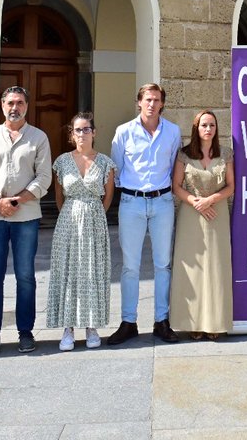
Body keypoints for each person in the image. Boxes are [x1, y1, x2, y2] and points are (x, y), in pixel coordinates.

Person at [0, 85, 52, 356]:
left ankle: (25, 332)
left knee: (26, 276)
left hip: (26, 216)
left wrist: (17, 201)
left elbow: (43, 177)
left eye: (19, 102)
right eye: (9, 103)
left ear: (27, 106)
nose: (14, 107)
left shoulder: (38, 137)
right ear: (2, 105)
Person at [108, 83, 183, 345]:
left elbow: (175, 164)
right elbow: (116, 166)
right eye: (147, 99)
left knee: (163, 264)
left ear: (162, 103)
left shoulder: (173, 131)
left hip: (162, 202)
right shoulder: (124, 132)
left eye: (157, 100)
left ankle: (162, 321)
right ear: (139, 102)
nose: (152, 104)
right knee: (130, 266)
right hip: (132, 202)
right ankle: (128, 321)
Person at [46, 112, 115, 351]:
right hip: (68, 220)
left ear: (94, 133)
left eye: (87, 129)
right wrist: (71, 213)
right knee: (68, 272)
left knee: (92, 272)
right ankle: (68, 327)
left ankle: (91, 325)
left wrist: (94, 213)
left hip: (95, 220)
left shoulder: (105, 162)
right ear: (71, 134)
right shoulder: (62, 161)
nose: (82, 134)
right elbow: (58, 196)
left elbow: (108, 197)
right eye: (78, 130)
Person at [170, 109, 235, 339]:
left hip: (217, 213)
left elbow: (230, 186)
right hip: (191, 213)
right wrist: (195, 201)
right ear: (196, 128)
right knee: (193, 269)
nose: (208, 129)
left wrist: (211, 200)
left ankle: (215, 322)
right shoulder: (184, 155)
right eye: (204, 125)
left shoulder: (226, 154)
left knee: (216, 267)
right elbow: (176, 186)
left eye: (212, 125)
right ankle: (193, 322)